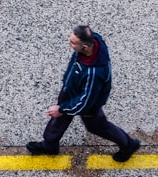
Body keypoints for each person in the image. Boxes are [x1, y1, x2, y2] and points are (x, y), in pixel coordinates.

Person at [27, 25, 141, 162]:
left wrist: (62, 109)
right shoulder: (92, 42)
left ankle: (128, 144)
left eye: (73, 42)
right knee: (59, 119)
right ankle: (49, 145)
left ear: (85, 47)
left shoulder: (94, 73)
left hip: (88, 103)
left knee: (97, 126)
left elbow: (85, 101)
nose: (69, 43)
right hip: (71, 90)